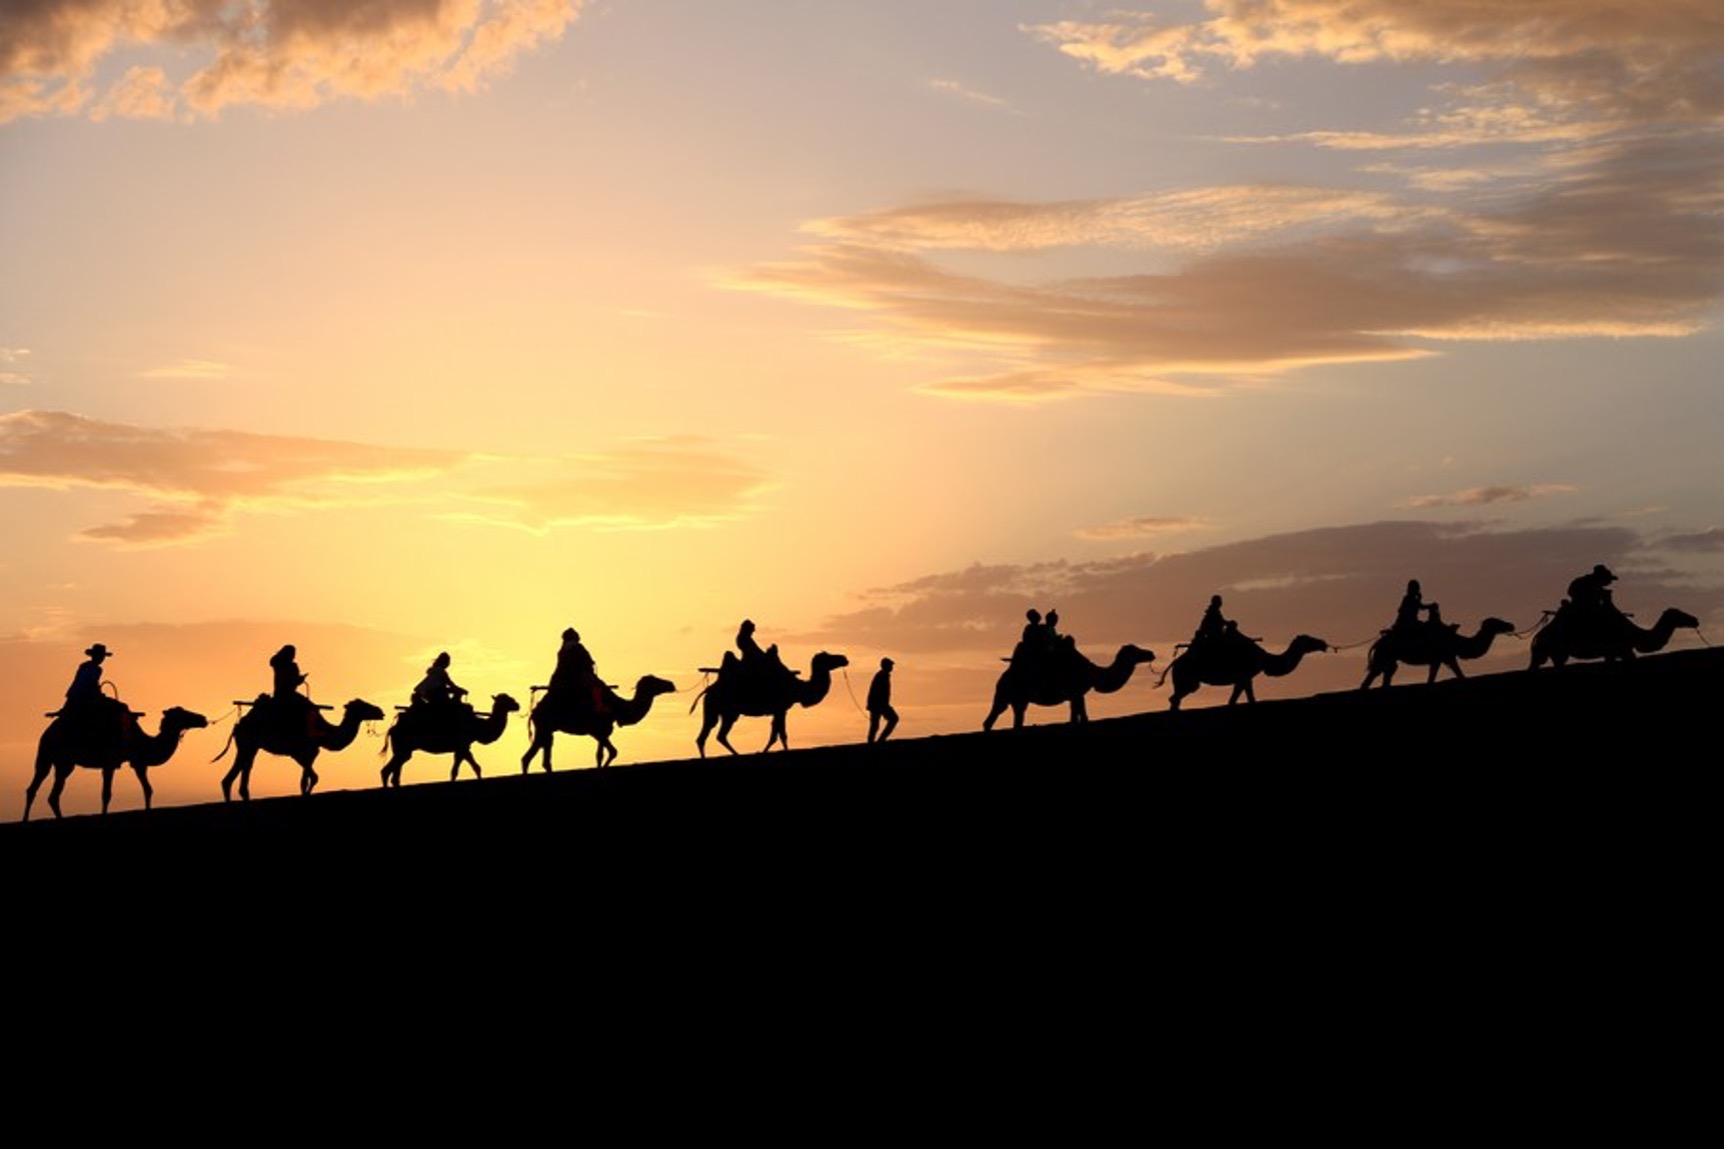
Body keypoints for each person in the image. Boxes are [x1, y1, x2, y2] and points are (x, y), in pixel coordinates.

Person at [550, 628, 608, 714]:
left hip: (560, 677)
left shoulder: (562, 650)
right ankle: (598, 705)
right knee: (597, 684)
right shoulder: (578, 647)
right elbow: (586, 661)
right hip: (578, 676)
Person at [867, 657, 899, 744]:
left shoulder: (882, 675)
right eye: (890, 665)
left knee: (875, 725)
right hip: (879, 704)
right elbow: (878, 692)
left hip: (877, 704)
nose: (892, 667)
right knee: (893, 719)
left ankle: (873, 742)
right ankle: (879, 741)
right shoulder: (882, 676)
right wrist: (882, 705)